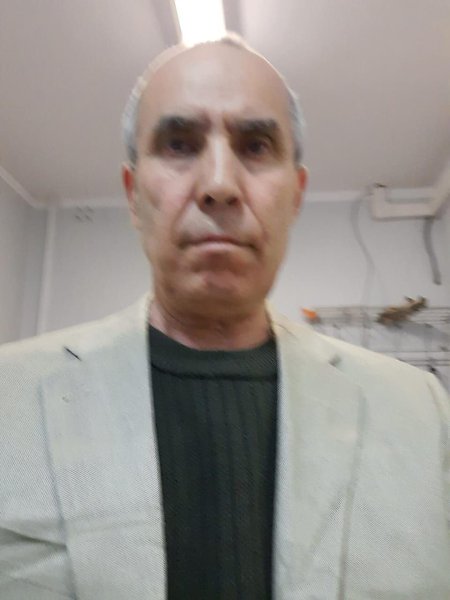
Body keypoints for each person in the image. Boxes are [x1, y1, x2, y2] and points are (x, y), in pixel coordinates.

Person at [0, 34, 449, 600]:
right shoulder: (8, 398)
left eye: (256, 146)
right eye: (180, 144)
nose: (218, 185)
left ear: (296, 196)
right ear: (133, 194)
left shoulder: (423, 414)